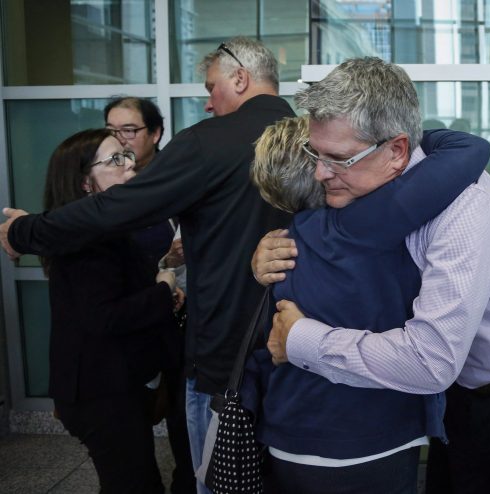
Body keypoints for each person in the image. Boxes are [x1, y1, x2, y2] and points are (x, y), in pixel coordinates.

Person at [253, 57, 490, 494]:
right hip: (462, 385)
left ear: (396, 150)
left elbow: (430, 360)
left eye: (337, 159)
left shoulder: (466, 211)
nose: (320, 173)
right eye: (315, 154)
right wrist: (268, 253)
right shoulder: (367, 179)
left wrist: (301, 338)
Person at [0, 36, 293, 494]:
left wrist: (24, 232)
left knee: (219, 479)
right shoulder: (307, 139)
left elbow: (117, 208)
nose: (209, 103)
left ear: (240, 78)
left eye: (211, 88)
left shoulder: (209, 142)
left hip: (223, 355)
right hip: (293, 343)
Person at [249, 109, 490, 493]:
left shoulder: (287, 239)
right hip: (366, 440)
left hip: (287, 431)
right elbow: (468, 147)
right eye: (326, 156)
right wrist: (387, 142)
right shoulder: (366, 224)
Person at [44, 128, 183, 494]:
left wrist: (162, 274)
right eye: (114, 160)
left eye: (127, 156)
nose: (129, 167)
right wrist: (163, 287)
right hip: (98, 390)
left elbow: (115, 290)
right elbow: (104, 316)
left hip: (115, 382)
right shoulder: (84, 238)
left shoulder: (106, 227)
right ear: (85, 184)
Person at [104, 96, 194, 494]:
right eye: (111, 130)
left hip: (178, 317)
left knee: (181, 414)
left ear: (155, 134)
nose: (119, 140)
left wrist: (176, 263)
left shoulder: (177, 183)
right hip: (129, 319)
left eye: (129, 130)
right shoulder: (104, 189)